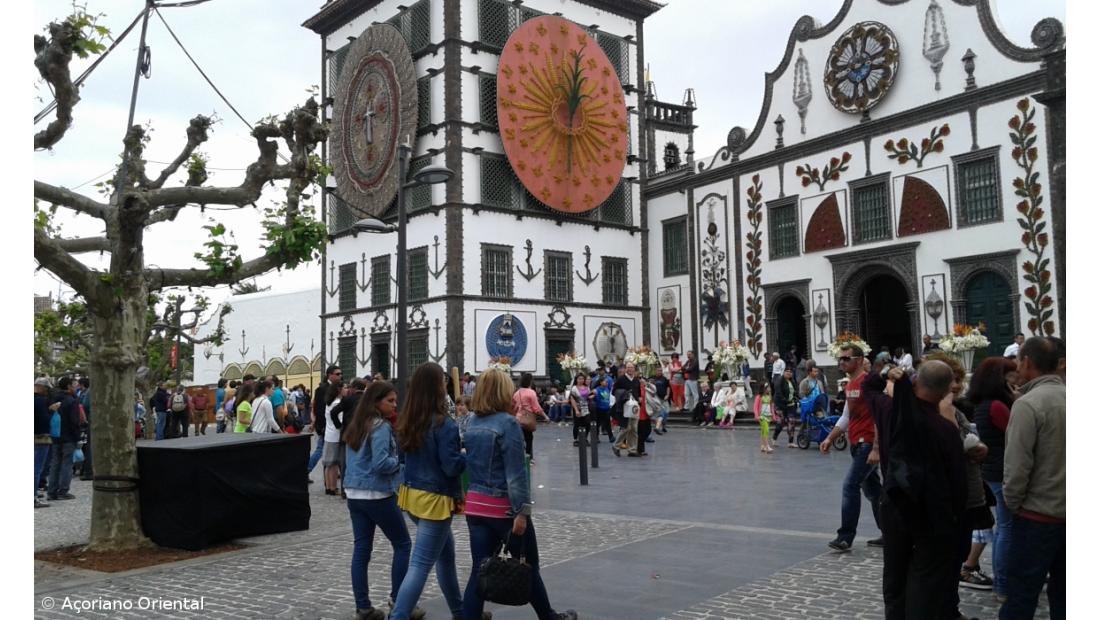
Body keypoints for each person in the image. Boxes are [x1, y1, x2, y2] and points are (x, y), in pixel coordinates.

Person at [462, 368, 578, 620]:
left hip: (476, 506)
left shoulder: (471, 422)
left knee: (479, 569)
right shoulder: (507, 424)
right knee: (528, 565)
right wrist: (522, 511)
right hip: (503, 508)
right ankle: (549, 617)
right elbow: (516, 473)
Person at [878, 361, 968, 619]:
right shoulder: (945, 429)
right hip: (931, 513)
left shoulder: (894, 413)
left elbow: (871, 388)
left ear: (917, 382)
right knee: (925, 580)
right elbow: (957, 480)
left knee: (895, 574)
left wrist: (889, 374)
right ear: (946, 390)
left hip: (896, 505)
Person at [391, 363, 466, 620]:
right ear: (437, 387)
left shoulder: (408, 420)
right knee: (420, 565)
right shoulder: (444, 425)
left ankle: (461, 612)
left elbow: (402, 458)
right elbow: (451, 466)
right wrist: (466, 455)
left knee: (445, 556)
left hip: (412, 495)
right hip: (436, 500)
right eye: (443, 381)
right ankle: (398, 616)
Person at [342, 380, 420, 620]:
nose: (395, 405)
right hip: (376, 493)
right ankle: (399, 601)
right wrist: (402, 465)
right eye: (390, 401)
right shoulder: (381, 426)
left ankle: (363, 607)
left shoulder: (357, 424)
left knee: (361, 549)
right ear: (376, 402)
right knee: (403, 544)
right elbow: (380, 463)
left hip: (354, 492)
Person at [999, 337, 1065, 619]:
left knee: (1022, 594)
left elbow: (1017, 466)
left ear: (1026, 362)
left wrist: (1013, 504)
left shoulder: (1028, 404)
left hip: (1038, 516)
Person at [821, 344, 883, 552]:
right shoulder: (849, 386)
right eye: (840, 359)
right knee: (873, 491)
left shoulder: (869, 383)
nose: (842, 362)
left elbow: (879, 415)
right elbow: (846, 416)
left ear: (859, 360)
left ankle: (845, 536)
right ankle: (890, 531)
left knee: (850, 486)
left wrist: (876, 447)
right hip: (856, 443)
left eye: (846, 358)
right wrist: (830, 438)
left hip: (868, 443)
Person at [967, 357, 1018, 598]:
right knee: (1006, 527)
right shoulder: (997, 405)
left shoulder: (983, 404)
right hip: (1001, 471)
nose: (1016, 378)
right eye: (1011, 374)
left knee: (1005, 527)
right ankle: (1003, 584)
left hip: (992, 470)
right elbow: (1016, 432)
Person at [47, 376, 81, 501]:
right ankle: (63, 490)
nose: (76, 387)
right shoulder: (71, 400)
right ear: (68, 386)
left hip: (55, 435)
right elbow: (74, 421)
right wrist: (77, 436)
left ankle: (51, 491)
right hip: (68, 436)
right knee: (67, 463)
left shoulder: (53, 399)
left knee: (55, 463)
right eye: (74, 385)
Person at [310, 365, 342, 477]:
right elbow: (319, 409)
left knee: (329, 452)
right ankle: (306, 470)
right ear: (330, 375)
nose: (340, 376)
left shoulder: (336, 387)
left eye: (340, 374)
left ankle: (334, 474)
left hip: (333, 428)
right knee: (321, 451)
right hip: (326, 427)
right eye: (337, 374)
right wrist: (321, 426)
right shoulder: (322, 389)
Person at [511, 372, 545, 460]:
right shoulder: (531, 392)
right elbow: (536, 407)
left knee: (520, 438)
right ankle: (528, 457)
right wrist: (545, 416)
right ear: (530, 381)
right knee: (529, 437)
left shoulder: (517, 393)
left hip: (518, 418)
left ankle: (520, 456)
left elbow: (513, 407)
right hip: (528, 418)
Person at [611, 362, 642, 457]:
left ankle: (632, 450)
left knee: (634, 428)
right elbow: (614, 391)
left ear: (634, 369)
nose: (630, 369)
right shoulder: (621, 379)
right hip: (625, 407)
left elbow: (639, 392)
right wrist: (624, 394)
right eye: (628, 367)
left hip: (635, 406)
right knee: (626, 428)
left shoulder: (636, 380)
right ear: (625, 369)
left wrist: (639, 398)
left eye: (631, 367)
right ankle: (616, 445)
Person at [323, 379, 347, 497]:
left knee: (329, 463)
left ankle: (328, 487)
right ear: (339, 389)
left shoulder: (329, 402)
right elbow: (341, 420)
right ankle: (333, 488)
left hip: (329, 434)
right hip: (336, 435)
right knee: (334, 463)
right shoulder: (337, 403)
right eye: (345, 388)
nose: (346, 390)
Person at [34, 378, 54, 508]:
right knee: (37, 468)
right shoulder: (40, 401)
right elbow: (44, 420)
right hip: (40, 437)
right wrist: (51, 410)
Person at [772, 367, 798, 447]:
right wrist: (785, 400)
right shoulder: (779, 380)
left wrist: (796, 399)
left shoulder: (792, 381)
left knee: (791, 422)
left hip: (791, 405)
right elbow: (778, 392)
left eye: (790, 371)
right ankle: (774, 438)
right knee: (781, 422)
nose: (789, 373)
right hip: (780, 405)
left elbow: (795, 392)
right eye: (787, 371)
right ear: (783, 372)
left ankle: (790, 442)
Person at [569, 374, 592, 447]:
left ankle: (585, 438)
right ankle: (576, 439)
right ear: (576, 380)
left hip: (586, 408)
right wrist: (576, 410)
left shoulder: (587, 388)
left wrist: (593, 395)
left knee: (587, 423)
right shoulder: (574, 388)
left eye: (582, 379)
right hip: (578, 408)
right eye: (579, 379)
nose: (581, 380)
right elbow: (572, 399)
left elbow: (588, 397)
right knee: (577, 424)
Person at [754, 382, 775, 453]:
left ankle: (763, 445)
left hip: (768, 415)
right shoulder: (759, 397)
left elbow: (771, 407)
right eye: (767, 387)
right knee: (766, 430)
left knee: (764, 431)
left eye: (769, 387)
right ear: (763, 388)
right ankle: (767, 446)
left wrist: (773, 416)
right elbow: (755, 407)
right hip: (762, 416)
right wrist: (757, 416)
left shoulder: (769, 397)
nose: (769, 389)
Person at [593, 376, 613, 443]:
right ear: (601, 382)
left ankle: (611, 437)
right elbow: (595, 399)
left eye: (607, 382)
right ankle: (596, 437)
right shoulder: (597, 389)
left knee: (608, 423)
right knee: (598, 423)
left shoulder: (607, 389)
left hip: (606, 408)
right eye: (605, 381)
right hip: (599, 408)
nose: (607, 383)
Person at [651, 366, 670, 435]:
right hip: (656, 399)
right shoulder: (652, 379)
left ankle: (663, 425)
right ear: (655, 371)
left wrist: (667, 395)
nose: (660, 372)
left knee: (666, 413)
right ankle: (658, 427)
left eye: (661, 370)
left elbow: (668, 387)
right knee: (660, 413)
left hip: (664, 398)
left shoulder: (664, 379)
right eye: (658, 370)